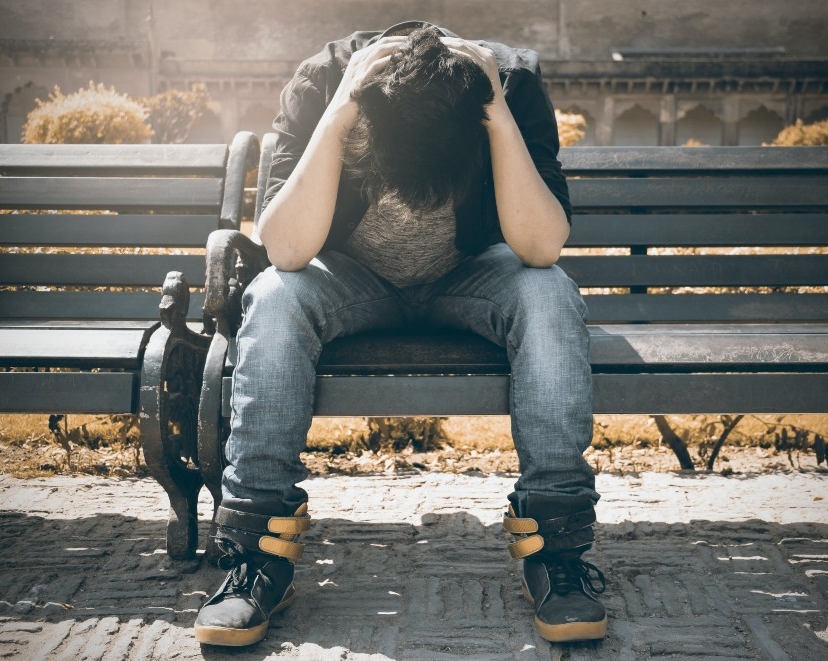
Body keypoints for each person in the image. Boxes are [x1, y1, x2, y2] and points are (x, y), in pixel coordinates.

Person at [194, 20, 606, 647]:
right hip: (351, 278)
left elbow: (542, 246)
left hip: (472, 274)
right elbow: (285, 248)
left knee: (549, 294)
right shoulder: (324, 81)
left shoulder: (511, 85)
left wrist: (494, 115)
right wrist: (339, 115)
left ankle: (557, 549)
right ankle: (254, 555)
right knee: (275, 297)